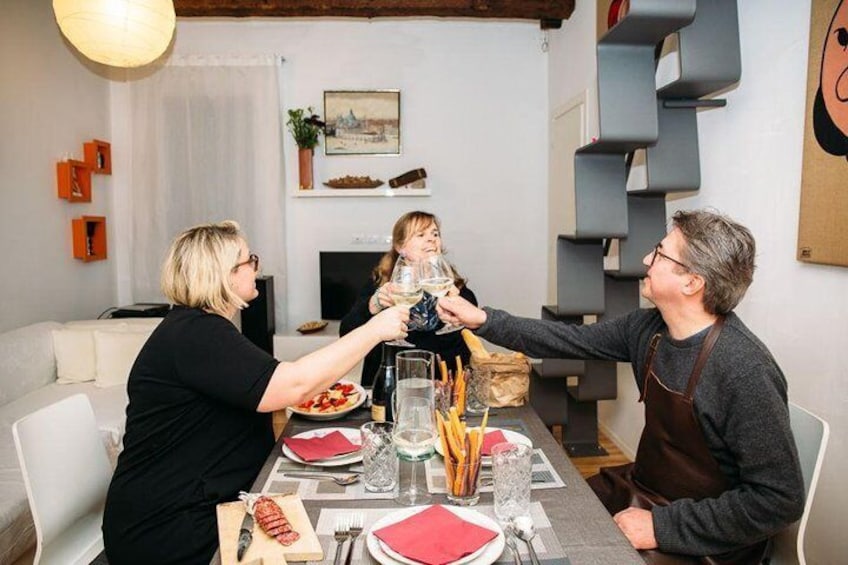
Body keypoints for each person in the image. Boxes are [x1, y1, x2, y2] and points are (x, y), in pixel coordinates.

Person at [437, 210, 805, 564]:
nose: (647, 257)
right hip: (641, 488)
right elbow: (566, 339)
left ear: (692, 282)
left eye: (660, 253)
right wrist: (484, 320)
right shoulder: (648, 329)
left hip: (705, 537)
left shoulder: (744, 368)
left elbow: (779, 500)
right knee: (547, 514)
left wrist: (662, 528)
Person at [102, 221, 408, 565]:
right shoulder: (195, 335)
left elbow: (267, 390)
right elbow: (291, 386)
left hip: (208, 503)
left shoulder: (200, 328)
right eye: (250, 261)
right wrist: (375, 330)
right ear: (223, 274)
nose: (256, 269)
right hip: (168, 528)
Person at [340, 211, 477, 386]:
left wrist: (458, 308)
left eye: (435, 234)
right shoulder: (382, 284)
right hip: (390, 384)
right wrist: (373, 305)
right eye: (421, 235)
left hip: (442, 386)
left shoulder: (452, 286)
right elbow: (346, 333)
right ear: (400, 247)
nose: (431, 239)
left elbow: (468, 340)